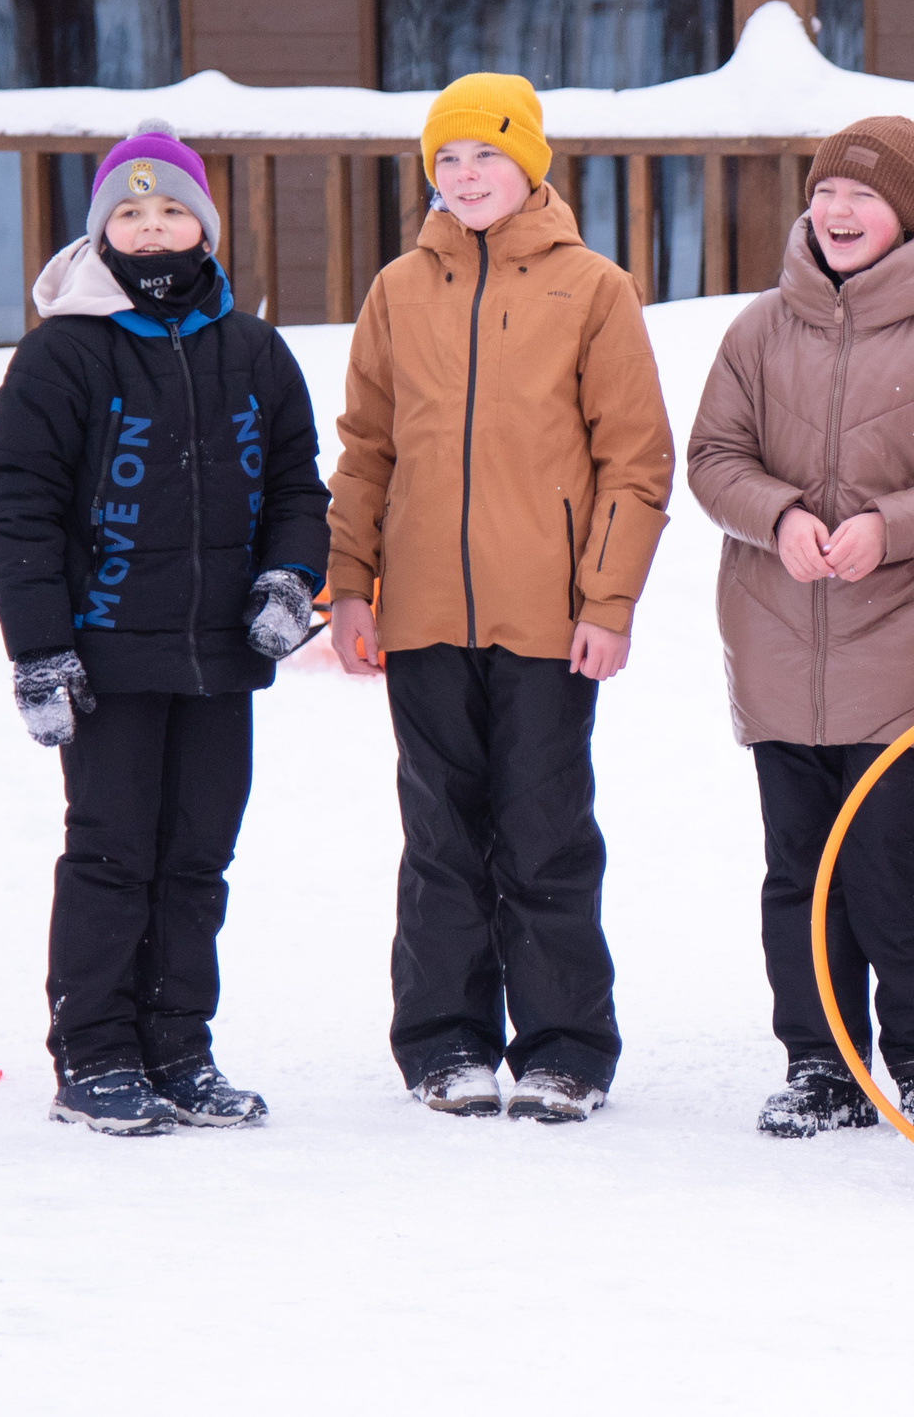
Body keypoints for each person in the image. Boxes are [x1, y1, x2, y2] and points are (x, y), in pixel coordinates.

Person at [329, 72, 675, 1125]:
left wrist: (607, 604)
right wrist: (350, 587)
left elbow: (635, 462)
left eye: (485, 155)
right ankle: (445, 1042)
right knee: (439, 835)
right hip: (423, 612)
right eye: (447, 159)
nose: (466, 176)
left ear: (530, 163)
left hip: (546, 621)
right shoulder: (397, 290)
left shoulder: (593, 289)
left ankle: (565, 1048)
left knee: (544, 832)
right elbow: (366, 451)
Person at [0, 118, 330, 1136]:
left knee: (196, 858)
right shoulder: (64, 357)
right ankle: (92, 1053)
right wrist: (40, 649)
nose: (152, 228)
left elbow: (298, 488)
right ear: (102, 234)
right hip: (106, 658)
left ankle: (179, 1048)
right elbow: (22, 508)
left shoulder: (254, 352)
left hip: (221, 657)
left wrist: (287, 580)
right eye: (129, 215)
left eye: (171, 209)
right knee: (112, 853)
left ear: (203, 225)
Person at [687, 116, 914, 1142]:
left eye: (864, 196)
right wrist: (777, 514)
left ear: (913, 214)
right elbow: (711, 457)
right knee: (800, 875)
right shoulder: (757, 331)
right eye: (826, 193)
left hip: (906, 652)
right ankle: (819, 1063)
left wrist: (892, 527)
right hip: (780, 645)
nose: (838, 212)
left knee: (894, 871)